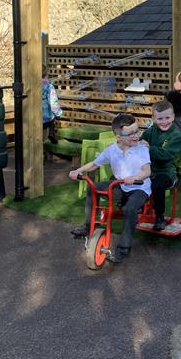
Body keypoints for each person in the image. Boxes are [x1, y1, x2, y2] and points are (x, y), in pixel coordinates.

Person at [68, 113, 151, 264]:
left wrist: (135, 178)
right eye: (130, 133)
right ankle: (88, 226)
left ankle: (124, 248)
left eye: (137, 131)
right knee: (93, 188)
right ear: (118, 137)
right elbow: (94, 164)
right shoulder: (111, 150)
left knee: (129, 209)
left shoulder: (141, 149)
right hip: (120, 185)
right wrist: (78, 171)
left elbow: (147, 171)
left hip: (140, 188)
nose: (135, 136)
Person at [140, 100, 181, 231]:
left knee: (156, 185)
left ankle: (159, 217)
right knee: (133, 179)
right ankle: (133, 204)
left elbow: (166, 155)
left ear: (173, 116)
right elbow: (142, 143)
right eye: (160, 118)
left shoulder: (176, 135)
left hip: (166, 172)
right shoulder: (150, 132)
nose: (164, 121)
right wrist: (137, 141)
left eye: (167, 117)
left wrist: (148, 148)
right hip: (149, 169)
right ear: (153, 118)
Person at [41, 66, 63, 144]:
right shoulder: (49, 86)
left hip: (34, 117)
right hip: (46, 117)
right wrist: (58, 113)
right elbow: (53, 102)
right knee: (52, 118)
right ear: (46, 74)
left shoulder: (31, 85)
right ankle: (51, 133)